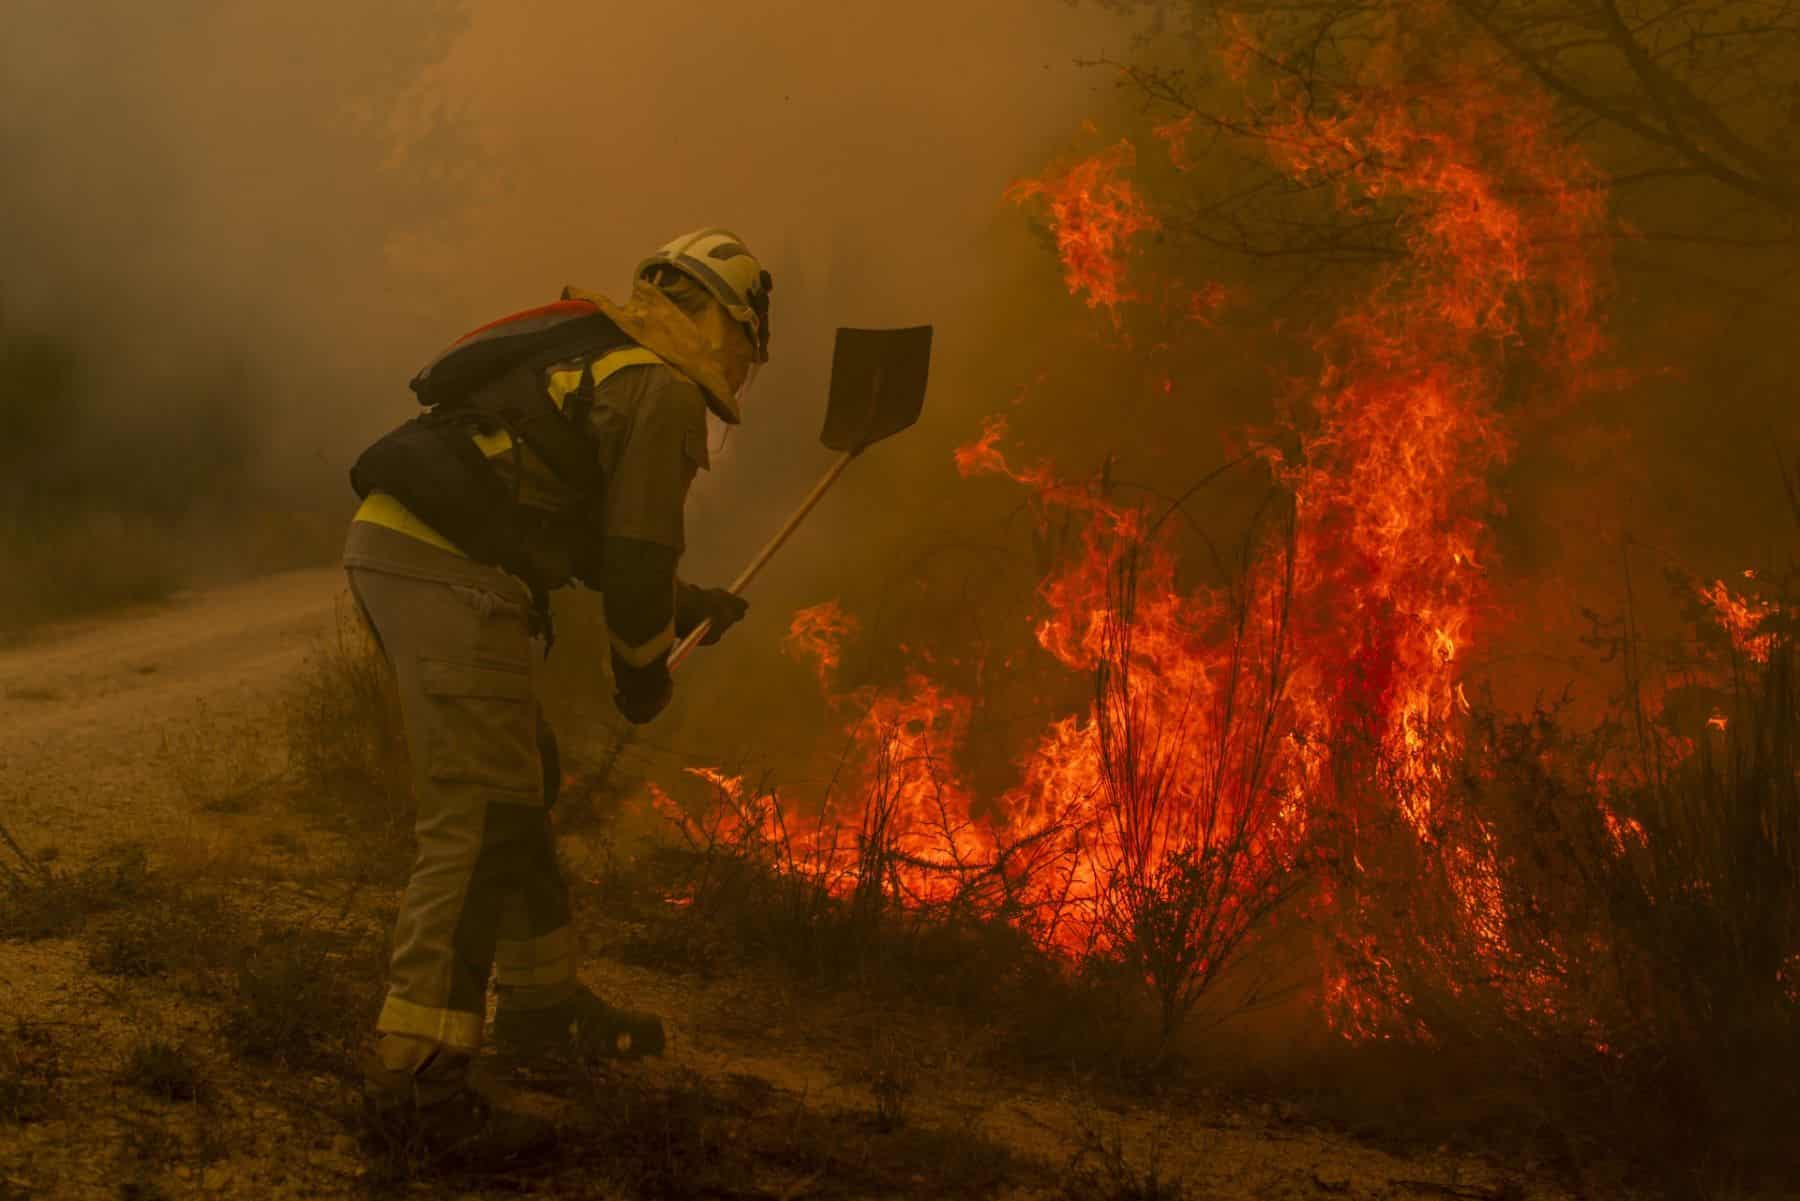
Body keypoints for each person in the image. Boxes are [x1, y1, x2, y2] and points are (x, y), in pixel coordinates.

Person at [342, 229, 771, 1165]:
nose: (744, 363)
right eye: (748, 340)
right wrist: (644, 672)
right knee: (479, 813)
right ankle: (416, 1081)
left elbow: (572, 531)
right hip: (446, 571)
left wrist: (683, 607)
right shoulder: (661, 386)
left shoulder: (602, 352)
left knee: (516, 780)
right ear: (720, 319)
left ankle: (540, 1009)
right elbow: (635, 557)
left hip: (412, 552)